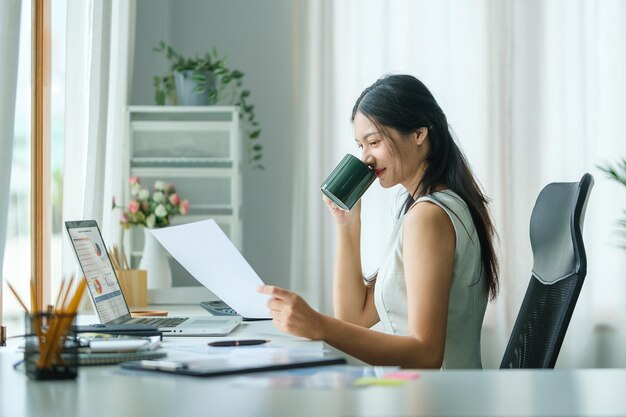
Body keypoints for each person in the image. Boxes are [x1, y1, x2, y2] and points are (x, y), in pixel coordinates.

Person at [258, 74, 499, 369]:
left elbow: (426, 353)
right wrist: (347, 224)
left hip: (436, 398)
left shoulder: (428, 217)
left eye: (374, 142)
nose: (366, 159)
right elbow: (353, 317)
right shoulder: (426, 209)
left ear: (419, 133)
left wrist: (318, 325)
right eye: (360, 146)